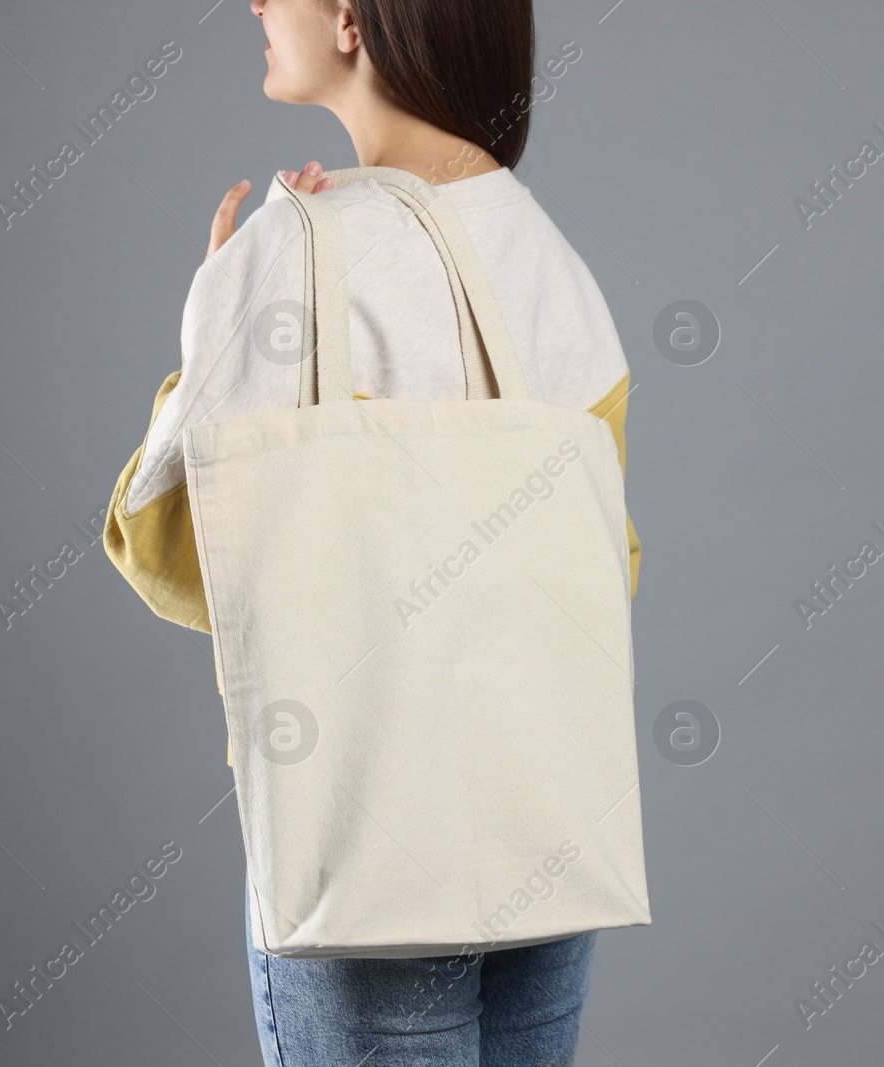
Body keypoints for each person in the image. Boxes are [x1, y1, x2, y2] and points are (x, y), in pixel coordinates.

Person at [104, 0, 639, 1062]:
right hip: (544, 824)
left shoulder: (292, 254)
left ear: (352, 18)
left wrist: (212, 320)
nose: (258, 4)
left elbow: (166, 549)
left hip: (364, 844)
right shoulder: (552, 261)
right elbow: (603, 570)